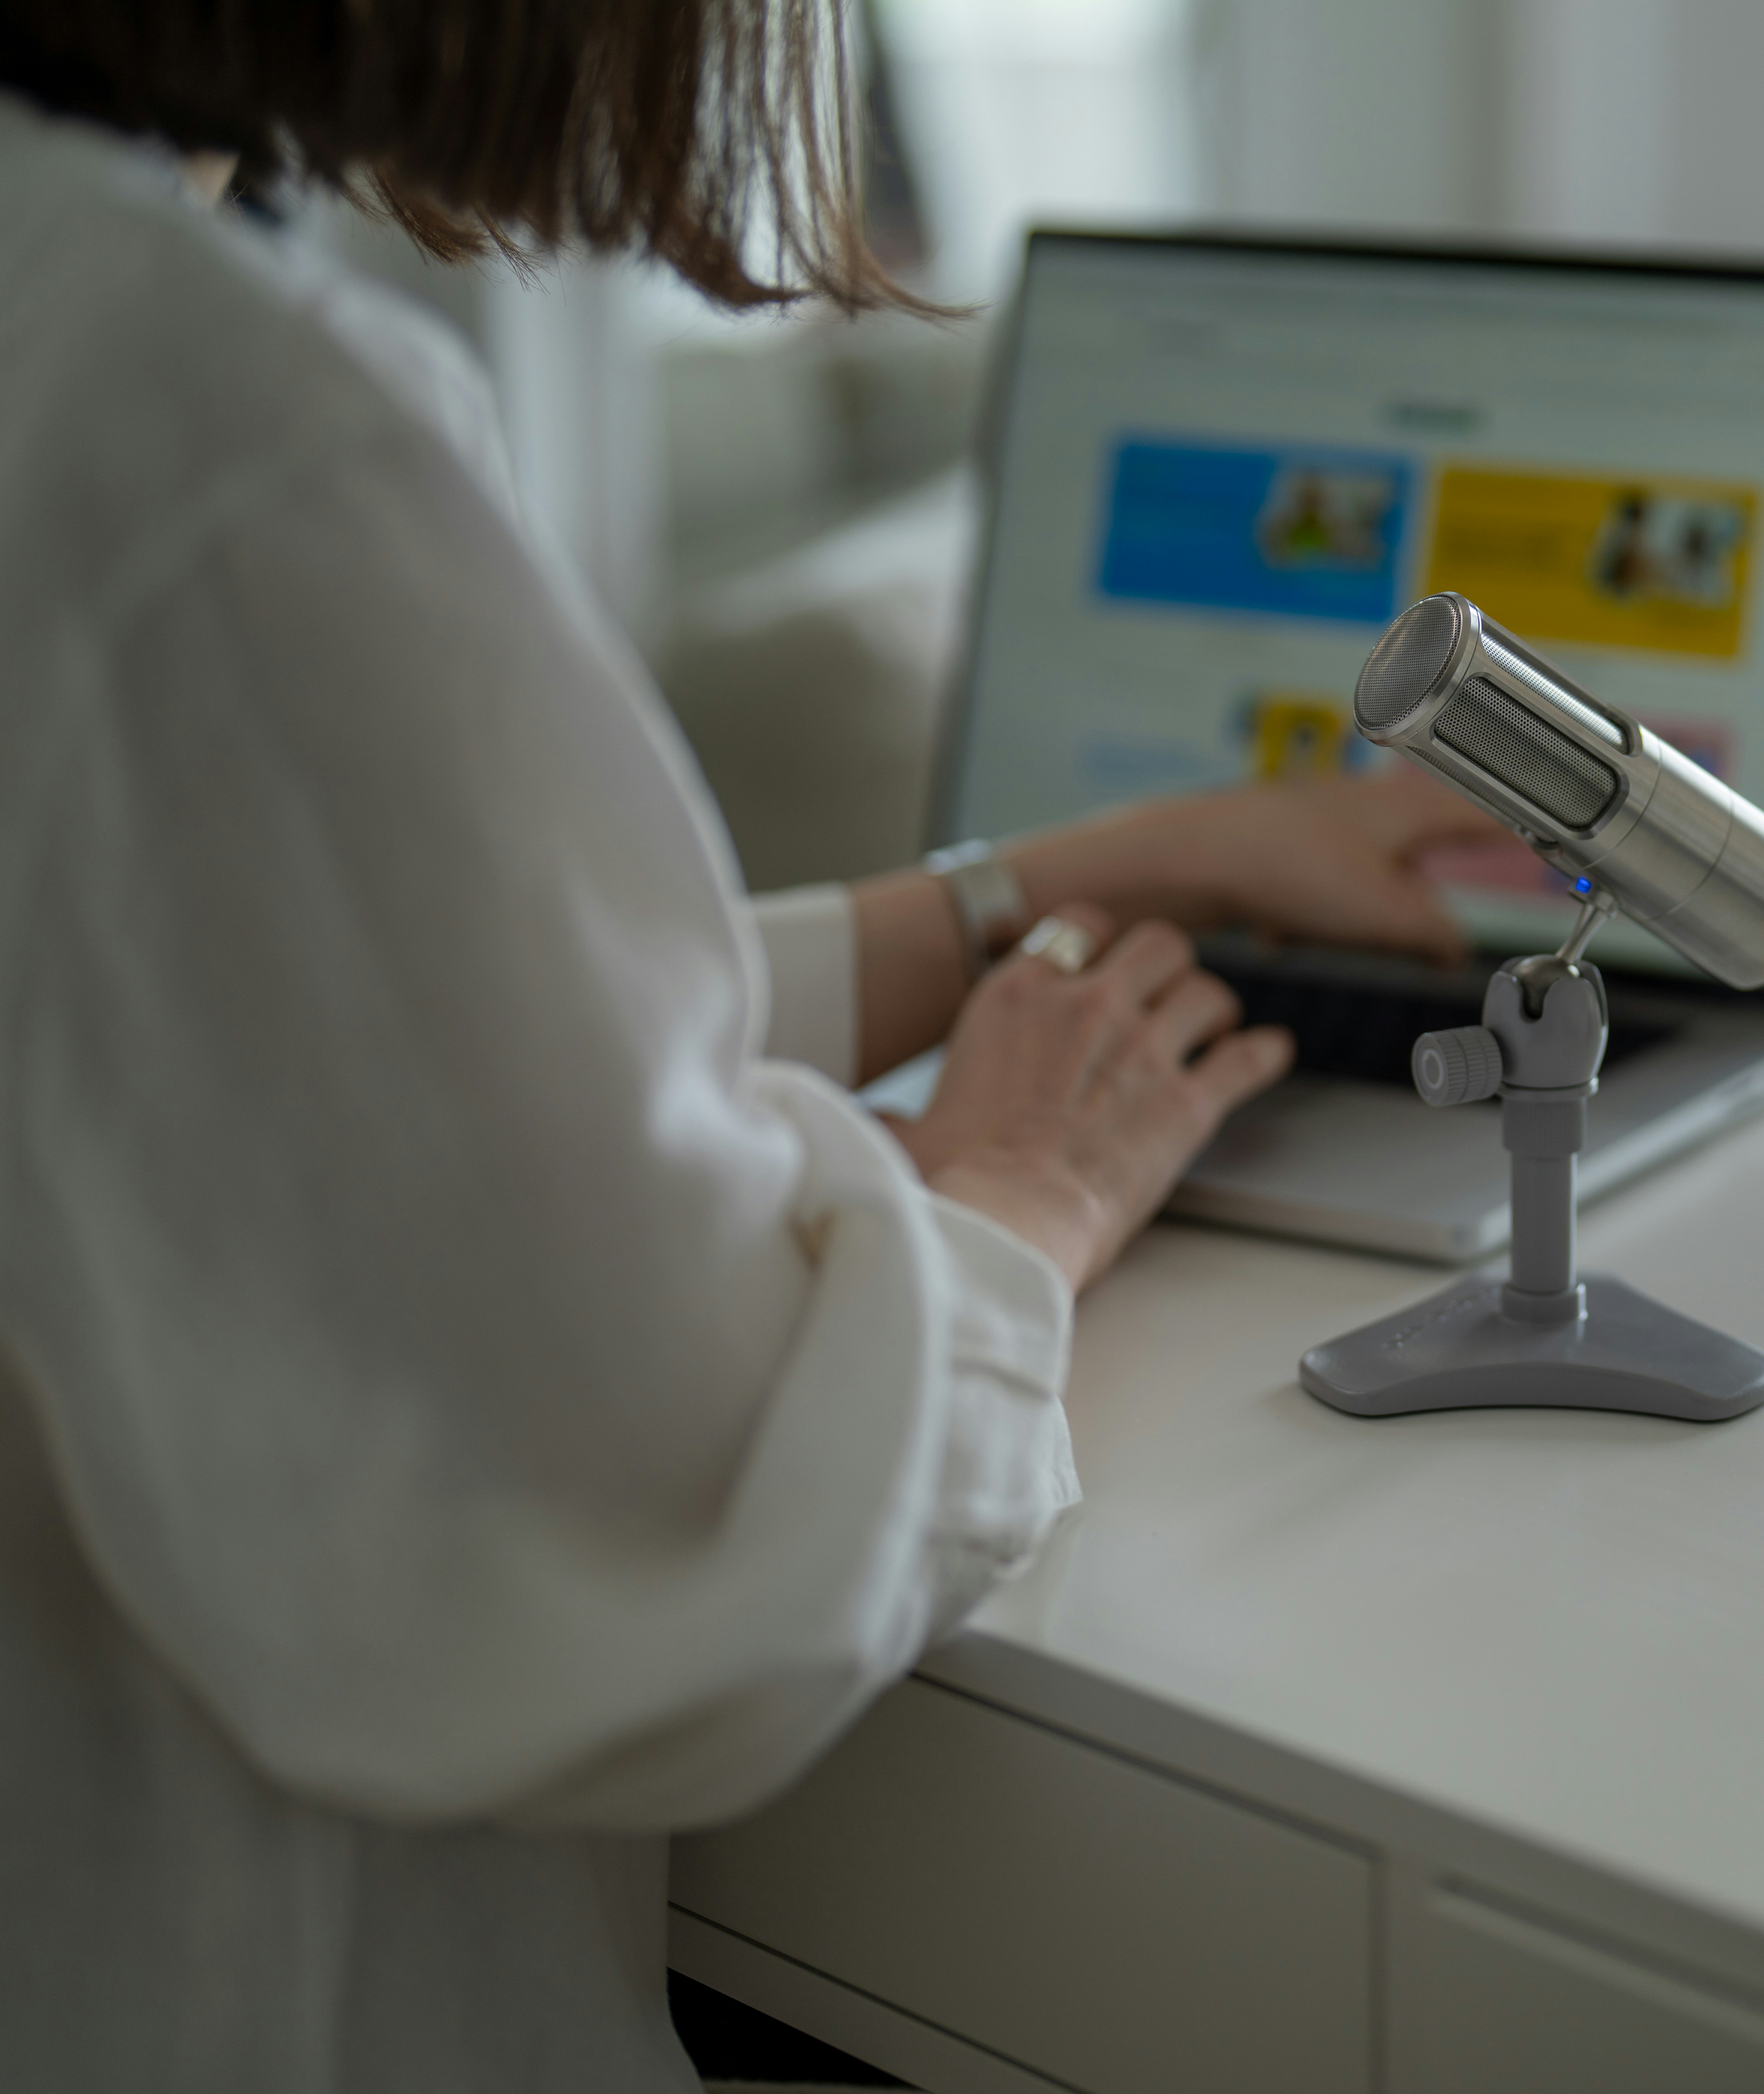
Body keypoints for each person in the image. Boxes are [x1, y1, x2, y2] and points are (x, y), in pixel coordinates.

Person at [0, 5, 1498, 2086]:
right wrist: (1021, 1196)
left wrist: (1042, 883)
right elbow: (690, 1494)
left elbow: (335, 1015)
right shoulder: (206, 423)